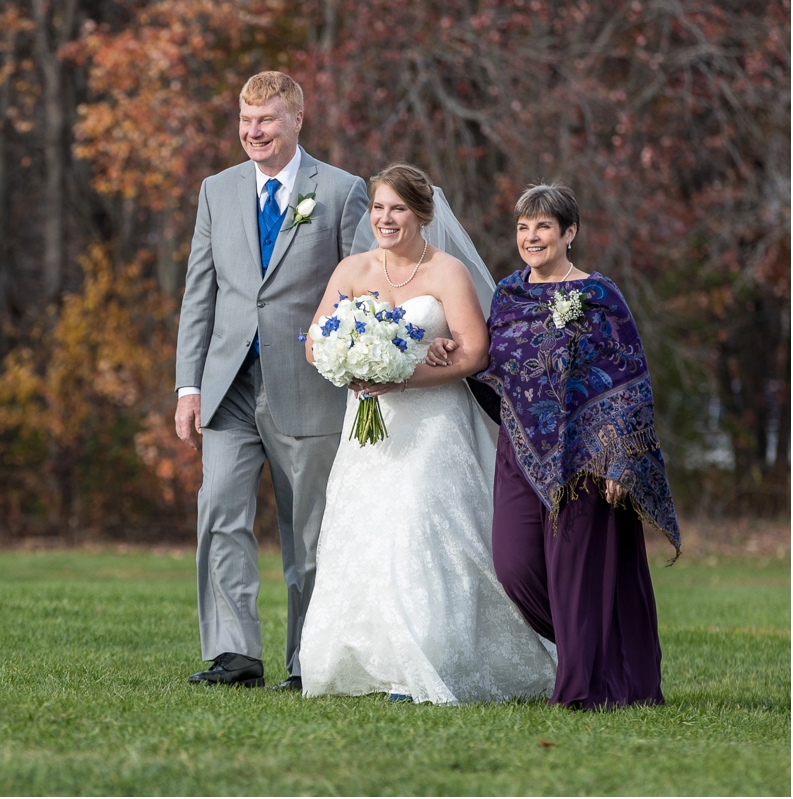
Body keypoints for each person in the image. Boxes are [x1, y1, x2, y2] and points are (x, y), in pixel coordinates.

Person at [298, 163, 557, 704]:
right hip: (369, 424)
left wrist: (406, 373)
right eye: (378, 208)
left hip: (433, 423)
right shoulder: (351, 269)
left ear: (421, 213)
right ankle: (373, 662)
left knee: (418, 526)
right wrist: (350, 365)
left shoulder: (446, 273)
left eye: (397, 208)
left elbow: (474, 351)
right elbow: (316, 342)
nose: (385, 218)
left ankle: (426, 661)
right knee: (365, 530)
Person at [438, 182, 680, 709]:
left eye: (544, 226)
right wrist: (446, 350)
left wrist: (620, 460)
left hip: (586, 460)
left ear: (569, 232)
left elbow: (628, 380)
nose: (532, 237)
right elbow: (490, 366)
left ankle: (580, 690)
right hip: (520, 454)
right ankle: (608, 650)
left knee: (575, 576)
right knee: (514, 565)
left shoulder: (599, 296)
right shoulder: (508, 293)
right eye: (524, 227)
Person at [174, 72, 371, 690]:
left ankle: (306, 658)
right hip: (228, 382)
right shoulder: (216, 190)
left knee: (306, 530)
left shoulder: (340, 191)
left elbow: (361, 289)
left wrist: (360, 365)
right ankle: (235, 654)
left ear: (296, 121)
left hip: (307, 383)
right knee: (220, 513)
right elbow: (199, 293)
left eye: (267, 121)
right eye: (246, 120)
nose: (253, 133)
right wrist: (187, 385)